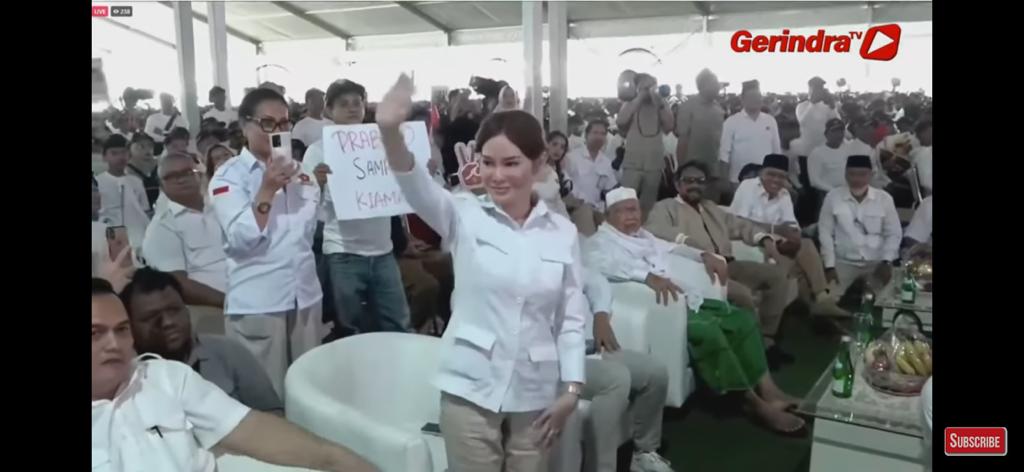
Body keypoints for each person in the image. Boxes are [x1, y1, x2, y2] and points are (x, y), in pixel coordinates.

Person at [379, 75, 586, 472]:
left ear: (539, 164)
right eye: (487, 163)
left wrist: (572, 390)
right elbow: (414, 183)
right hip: (469, 387)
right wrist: (390, 133)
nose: (497, 176)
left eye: (511, 163)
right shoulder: (463, 212)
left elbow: (571, 319)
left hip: (536, 391)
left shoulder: (562, 232)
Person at [92, 278, 377, 472]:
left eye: (121, 329)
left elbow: (254, 430)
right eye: (95, 333)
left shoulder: (165, 378)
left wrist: (339, 460)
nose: (114, 344)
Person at [583, 188, 805, 435]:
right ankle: (753, 403)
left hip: (683, 298)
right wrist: (646, 276)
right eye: (623, 211)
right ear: (608, 216)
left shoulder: (642, 236)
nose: (631, 216)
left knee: (740, 319)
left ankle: (770, 390)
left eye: (634, 209)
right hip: (660, 308)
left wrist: (704, 255)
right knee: (710, 333)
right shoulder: (599, 242)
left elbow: (671, 248)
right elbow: (601, 265)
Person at [208, 87, 325, 396]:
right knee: (265, 396)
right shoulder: (228, 177)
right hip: (259, 302)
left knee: (309, 393)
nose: (278, 131)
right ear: (246, 126)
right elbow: (241, 239)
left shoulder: (303, 176)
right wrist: (267, 189)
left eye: (285, 123)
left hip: (305, 298)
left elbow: (307, 235)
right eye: (268, 123)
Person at [645, 162, 794, 366]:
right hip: (701, 271)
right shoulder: (666, 207)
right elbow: (654, 229)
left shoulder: (711, 208)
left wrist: (764, 238)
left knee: (777, 276)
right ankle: (752, 353)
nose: (694, 185)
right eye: (688, 180)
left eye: (700, 181)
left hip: (729, 264)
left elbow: (740, 226)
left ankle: (767, 340)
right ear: (677, 184)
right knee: (742, 294)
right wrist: (688, 242)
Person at [302, 79, 411, 337]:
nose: (352, 109)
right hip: (343, 250)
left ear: (364, 107)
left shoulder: (383, 145)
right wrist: (317, 185)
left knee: (398, 322)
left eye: (357, 103)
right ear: (329, 110)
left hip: (383, 248)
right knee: (351, 328)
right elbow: (307, 207)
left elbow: (400, 187)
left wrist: (414, 169)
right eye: (343, 104)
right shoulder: (317, 152)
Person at [120, 268, 281, 412]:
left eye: (174, 310)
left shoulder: (229, 353)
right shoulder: (125, 378)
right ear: (129, 326)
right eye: (152, 318)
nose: (168, 322)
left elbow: (274, 415)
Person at [579, 259, 673, 472]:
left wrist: (600, 316)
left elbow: (595, 280)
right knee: (616, 378)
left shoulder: (562, 249)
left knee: (654, 372)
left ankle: (643, 454)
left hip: (589, 347)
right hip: (554, 360)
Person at [729, 155, 848, 318]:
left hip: (777, 243)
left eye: (781, 176)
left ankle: (820, 302)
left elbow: (792, 226)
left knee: (804, 244)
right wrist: (777, 229)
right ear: (762, 173)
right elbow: (740, 222)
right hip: (750, 242)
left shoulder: (784, 194)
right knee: (801, 267)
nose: (776, 180)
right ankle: (820, 303)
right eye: (771, 174)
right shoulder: (748, 187)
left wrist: (793, 236)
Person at [143, 151, 227, 310]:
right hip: (213, 310)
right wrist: (232, 302)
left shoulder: (221, 207)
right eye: (171, 176)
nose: (181, 179)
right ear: (161, 185)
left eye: (187, 173)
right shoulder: (162, 227)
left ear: (199, 176)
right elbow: (176, 283)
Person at [818, 155, 903, 294]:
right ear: (845, 174)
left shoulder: (884, 199)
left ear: (870, 175)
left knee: (891, 299)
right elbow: (825, 232)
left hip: (877, 262)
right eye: (852, 174)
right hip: (844, 261)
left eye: (862, 174)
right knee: (826, 299)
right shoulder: (833, 197)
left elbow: (894, 233)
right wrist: (829, 266)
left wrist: (887, 261)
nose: (856, 179)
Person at [618, 73, 674, 216]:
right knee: (626, 201)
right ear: (636, 88)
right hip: (633, 163)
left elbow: (669, 126)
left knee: (648, 205)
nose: (649, 90)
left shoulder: (661, 104)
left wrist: (659, 102)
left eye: (651, 86)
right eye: (645, 86)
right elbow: (621, 121)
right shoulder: (630, 104)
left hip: (654, 164)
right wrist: (639, 98)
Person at [719, 80, 782, 197]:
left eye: (758, 96)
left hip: (766, 180)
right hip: (738, 180)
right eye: (751, 97)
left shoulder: (770, 120)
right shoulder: (731, 122)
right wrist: (724, 180)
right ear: (742, 100)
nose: (756, 100)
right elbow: (724, 154)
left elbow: (776, 151)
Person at [674, 69, 726, 203]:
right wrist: (681, 170)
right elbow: (682, 140)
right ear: (703, 86)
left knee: (712, 211)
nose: (718, 87)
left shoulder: (718, 109)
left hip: (714, 172)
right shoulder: (688, 107)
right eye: (714, 84)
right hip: (693, 172)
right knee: (690, 210)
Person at [96, 134, 151, 251]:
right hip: (107, 238)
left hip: (137, 238)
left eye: (123, 153)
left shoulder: (136, 182)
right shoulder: (97, 183)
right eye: (114, 153)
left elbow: (145, 211)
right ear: (105, 157)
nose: (120, 157)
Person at [564, 119, 619, 213]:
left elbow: (609, 189)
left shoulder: (606, 162)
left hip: (597, 208)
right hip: (576, 207)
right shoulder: (572, 157)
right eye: (595, 132)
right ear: (586, 135)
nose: (599, 137)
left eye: (603, 134)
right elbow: (565, 186)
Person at [795, 77, 840, 157]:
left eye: (820, 88)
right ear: (810, 89)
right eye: (816, 88)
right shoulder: (802, 106)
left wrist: (832, 107)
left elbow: (837, 123)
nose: (819, 90)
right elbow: (802, 122)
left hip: (824, 150)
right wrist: (812, 104)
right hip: (807, 151)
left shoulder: (827, 106)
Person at [807, 118, 849, 194]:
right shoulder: (817, 153)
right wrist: (834, 191)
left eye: (841, 131)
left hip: (848, 191)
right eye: (834, 131)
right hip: (827, 193)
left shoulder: (848, 148)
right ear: (826, 134)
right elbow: (814, 180)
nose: (838, 134)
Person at [126, 132, 161, 208]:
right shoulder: (126, 171)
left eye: (150, 145)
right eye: (141, 146)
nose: (147, 149)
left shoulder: (161, 167)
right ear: (130, 148)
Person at [911, 120, 933, 194]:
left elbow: (925, 182)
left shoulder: (921, 153)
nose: (920, 141)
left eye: (920, 137)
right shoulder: (921, 152)